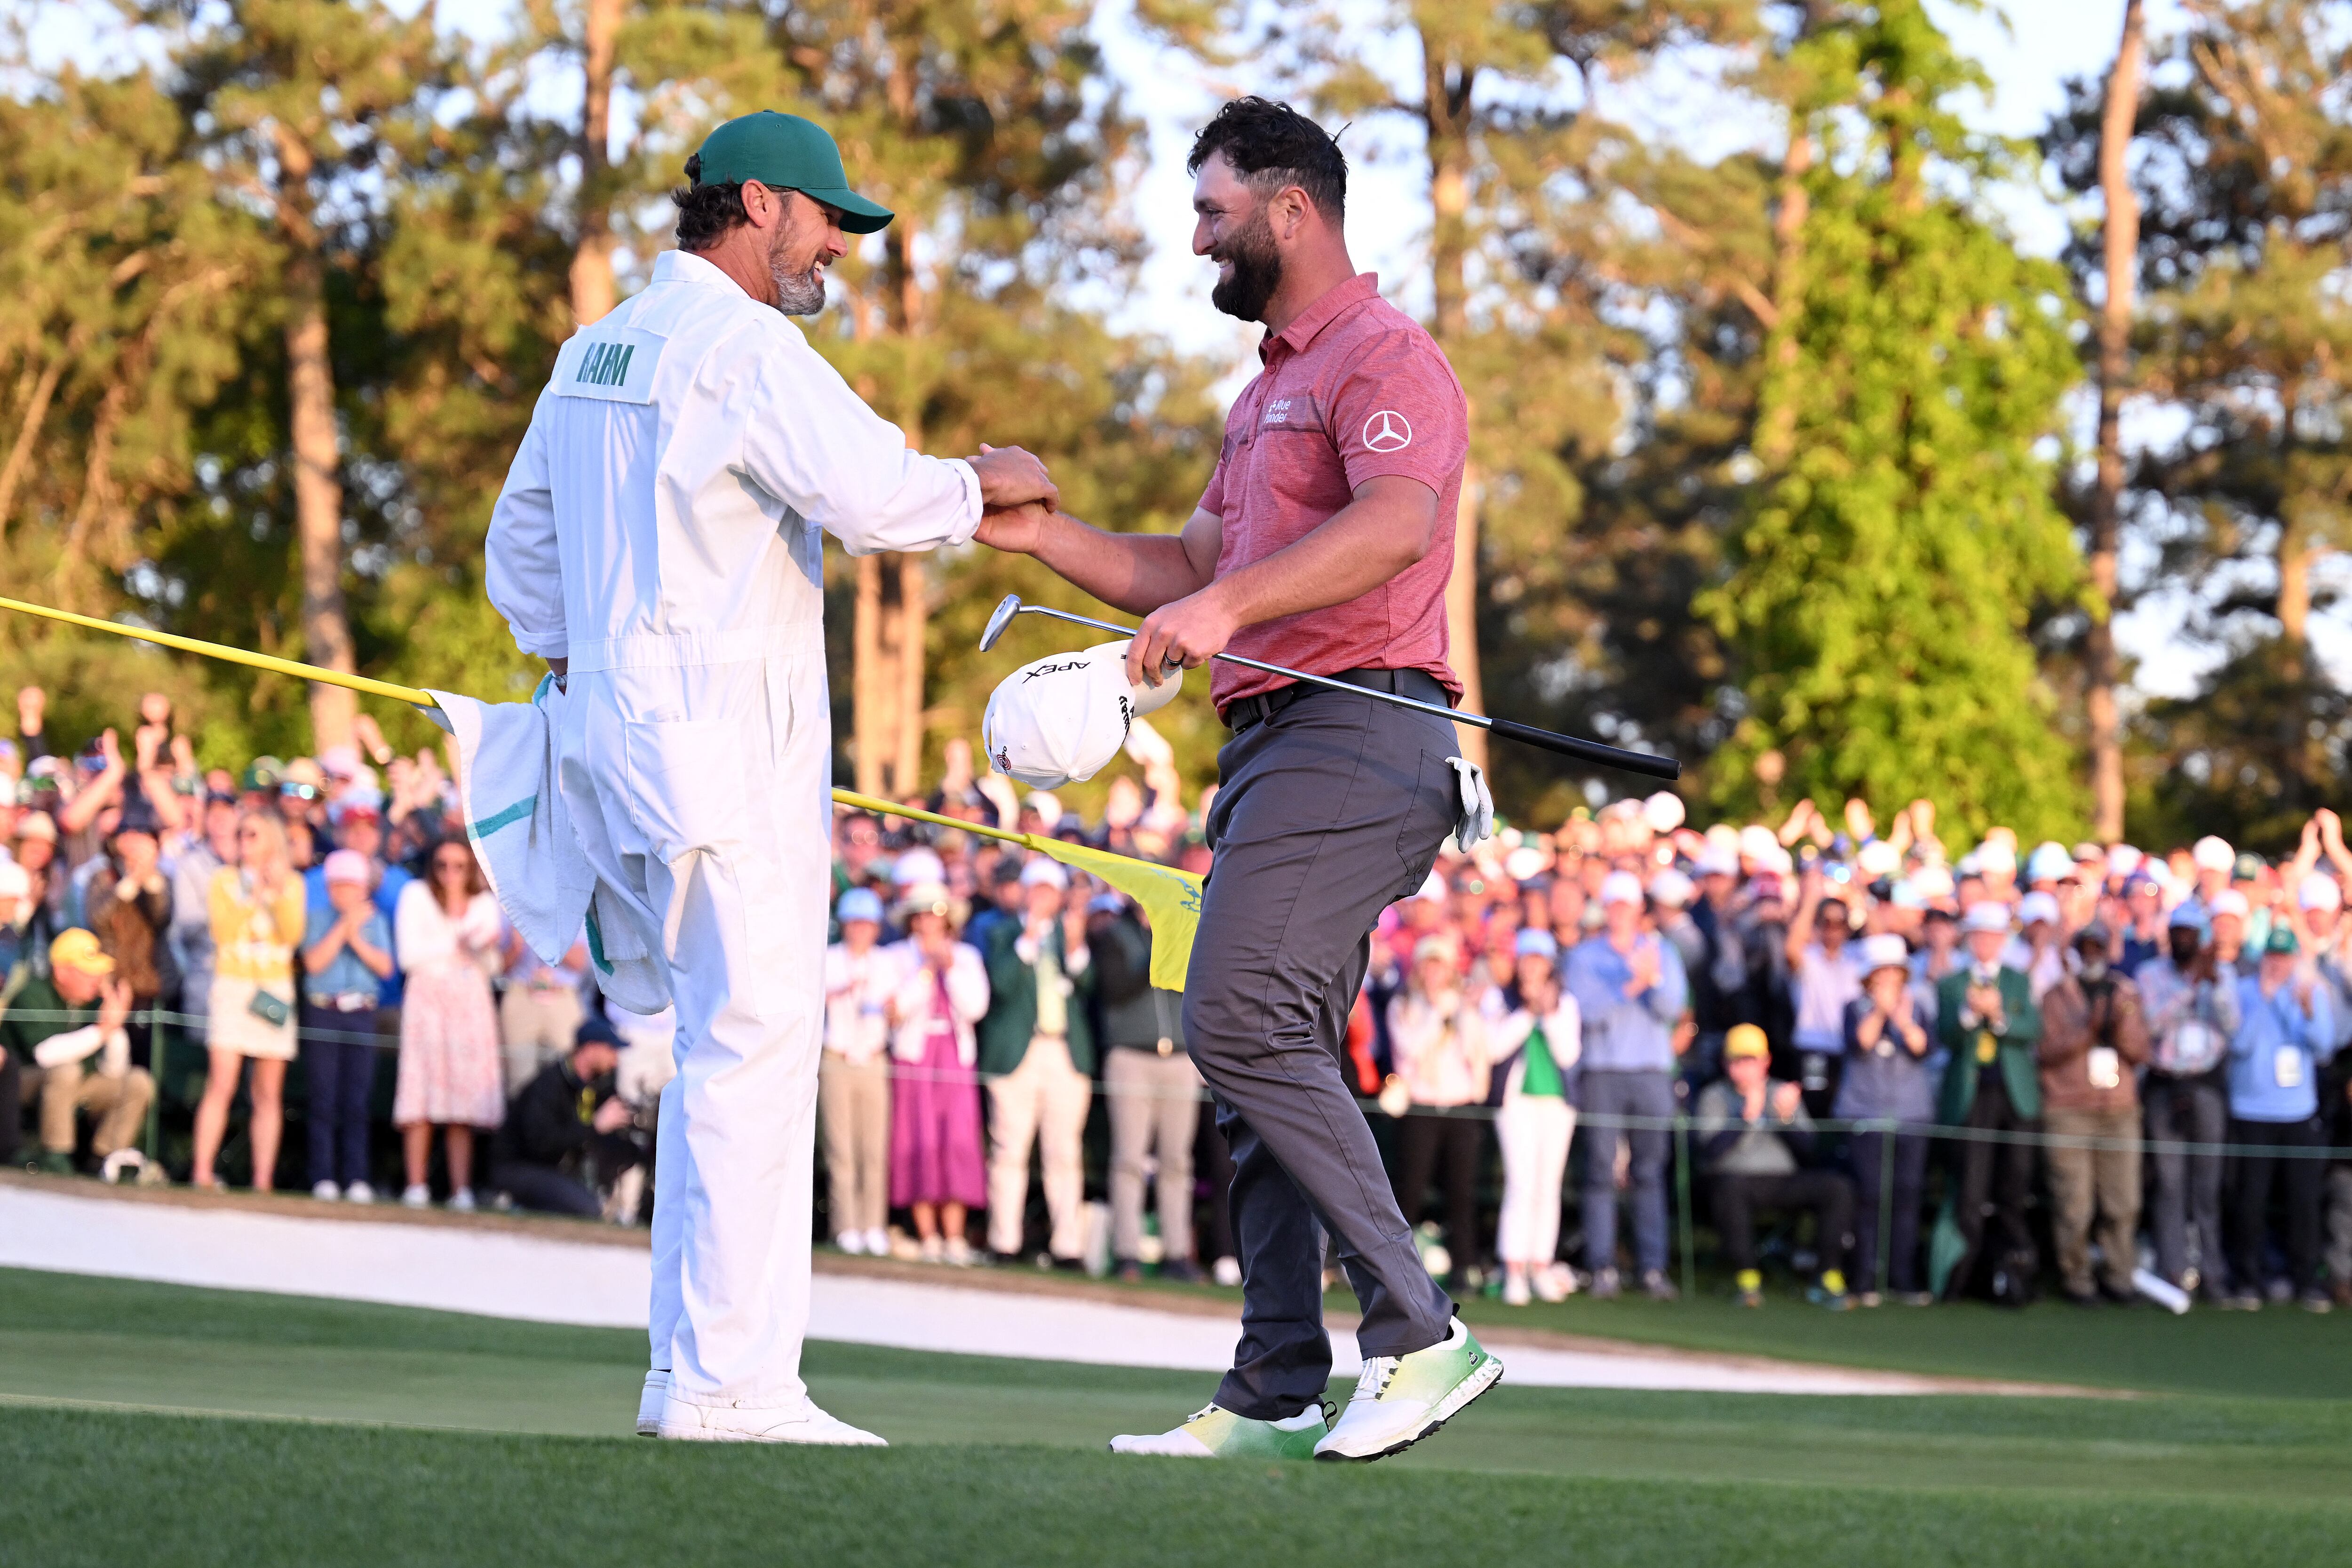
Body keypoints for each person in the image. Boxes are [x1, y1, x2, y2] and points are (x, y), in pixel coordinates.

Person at [484, 110, 1056, 1447]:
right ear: (756, 205)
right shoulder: (739, 345)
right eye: (826, 222)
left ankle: (688, 1372)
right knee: (753, 1045)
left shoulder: (595, 347)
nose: (840, 251)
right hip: (724, 744)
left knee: (708, 1053)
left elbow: (522, 548)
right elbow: (877, 495)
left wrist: (588, 659)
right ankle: (734, 1385)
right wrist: (992, 482)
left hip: (614, 733)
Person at [986, 96, 1499, 1462]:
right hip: (1277, 744)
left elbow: (1399, 525)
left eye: (1213, 210)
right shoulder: (1263, 387)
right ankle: (1277, 1385)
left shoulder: (1385, 355)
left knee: (1238, 1014)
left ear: (1290, 208)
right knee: (1260, 1050)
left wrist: (1228, 612)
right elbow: (1195, 570)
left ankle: (1420, 1333)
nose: (1196, 235)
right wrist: (1045, 538)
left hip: (1362, 729)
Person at [1567, 870, 1691, 1301]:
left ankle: (1652, 1267)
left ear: (1640, 909)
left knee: (1650, 1172)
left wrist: (1651, 978)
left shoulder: (1663, 953)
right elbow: (1588, 1012)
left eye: (1628, 905)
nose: (1621, 913)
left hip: (1652, 1071)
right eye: (1614, 905)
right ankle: (1602, 1266)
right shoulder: (1584, 956)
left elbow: (1670, 1008)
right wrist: (1635, 981)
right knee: (1601, 1170)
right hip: (1603, 1071)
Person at [976, 857, 1097, 1266]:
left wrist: (1078, 945)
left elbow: (1088, 987)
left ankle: (1068, 1246)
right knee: (1009, 1149)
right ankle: (1004, 1241)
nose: (1045, 898)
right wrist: (1028, 937)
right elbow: (1001, 985)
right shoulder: (1000, 931)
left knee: (1063, 1152)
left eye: (1051, 890)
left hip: (1064, 1051)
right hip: (1018, 1055)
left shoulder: (1070, 934)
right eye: (1038, 889)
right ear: (1026, 893)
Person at [2221, 926, 2336, 1310]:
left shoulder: (2307, 991)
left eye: (2285, 957)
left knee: (2304, 1199)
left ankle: (2306, 1281)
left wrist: (2300, 1008)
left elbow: (2323, 1045)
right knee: (2251, 1199)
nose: (2278, 964)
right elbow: (2238, 1044)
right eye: (2272, 956)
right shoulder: (2242, 991)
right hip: (2252, 1110)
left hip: (2297, 1111)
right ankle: (2248, 1280)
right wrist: (2265, 1000)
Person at [2035, 922, 2150, 1306]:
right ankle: (2077, 1277)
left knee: (2123, 1198)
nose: (2092, 953)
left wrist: (2119, 1024)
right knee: (2074, 1200)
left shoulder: (2125, 992)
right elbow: (2046, 1051)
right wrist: (2086, 1031)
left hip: (2118, 1107)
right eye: (2086, 947)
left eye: (2098, 946)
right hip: (2069, 1108)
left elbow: (2140, 1050)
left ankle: (2120, 1275)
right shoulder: (2056, 996)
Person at [1696, 1024, 1851, 1308]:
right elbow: (1709, 1153)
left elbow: (1810, 1153)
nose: (1744, 1068)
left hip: (1783, 1182)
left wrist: (1787, 1120)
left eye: (1751, 1060)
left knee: (1836, 1187)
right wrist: (1746, 1119)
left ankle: (1827, 1274)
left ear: (1766, 1062)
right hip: (1735, 1181)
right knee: (1730, 1189)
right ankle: (1747, 1279)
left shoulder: (1782, 1093)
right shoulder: (1715, 1096)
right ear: (1725, 1063)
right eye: (1737, 1061)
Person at [1092, 891, 1205, 1283]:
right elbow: (1116, 989)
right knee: (1129, 1159)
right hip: (1131, 1057)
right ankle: (1127, 1252)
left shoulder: (1185, 931)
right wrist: (1159, 951)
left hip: (1178, 1058)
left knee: (1177, 1161)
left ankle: (1177, 1252)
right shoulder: (1115, 936)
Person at [193, 812, 307, 1190]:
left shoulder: (292, 884)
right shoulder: (224, 880)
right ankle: (202, 1172)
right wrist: (251, 894)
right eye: (241, 834)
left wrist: (273, 894)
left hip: (274, 989)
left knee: (268, 1092)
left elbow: (292, 935)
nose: (245, 840)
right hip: (233, 987)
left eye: (253, 834)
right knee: (221, 1083)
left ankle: (263, 1180)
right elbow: (222, 931)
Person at [1935, 902, 2042, 1301]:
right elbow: (1945, 1035)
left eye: (1992, 935)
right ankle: (1963, 1277)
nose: (1985, 942)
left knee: (2015, 1185)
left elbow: (2034, 1028)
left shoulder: (2017, 981)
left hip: (2013, 1097)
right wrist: (1969, 1013)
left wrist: (1998, 1016)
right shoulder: (1952, 983)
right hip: (1972, 1093)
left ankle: (2013, 1274)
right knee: (1971, 1189)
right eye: (1979, 935)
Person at [392, 836, 504, 1211]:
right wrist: (457, 943)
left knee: (463, 1100)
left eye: (459, 866)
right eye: (443, 865)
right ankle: (416, 1185)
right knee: (421, 1094)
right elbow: (409, 955)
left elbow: (492, 966)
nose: (451, 874)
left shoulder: (486, 904)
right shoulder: (415, 896)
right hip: (427, 1001)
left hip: (470, 1002)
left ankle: (461, 1190)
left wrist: (478, 949)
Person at [2136, 902, 2238, 1299]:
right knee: (2169, 1182)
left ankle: (2212, 1271)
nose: (2183, 940)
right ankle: (2173, 1269)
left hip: (2206, 1084)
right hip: (2165, 1084)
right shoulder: (2151, 974)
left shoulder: (2222, 974)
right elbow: (2151, 1024)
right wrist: (2189, 986)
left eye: (2190, 934)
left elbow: (2232, 1026)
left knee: (2208, 1185)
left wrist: (2211, 984)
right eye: (2177, 932)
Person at [884, 881, 989, 1262]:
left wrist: (950, 968)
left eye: (937, 914)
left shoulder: (967, 957)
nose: (931, 921)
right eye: (924, 914)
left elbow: (975, 1007)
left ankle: (955, 1236)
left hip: (955, 1058)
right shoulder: (898, 957)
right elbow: (896, 1009)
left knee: (957, 1141)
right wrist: (928, 971)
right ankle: (927, 1235)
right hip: (916, 1058)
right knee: (918, 1138)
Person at [1384, 934, 1491, 1295]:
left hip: (1459, 1107)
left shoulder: (1463, 1008)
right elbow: (1410, 1050)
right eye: (1428, 963)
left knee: (1461, 1191)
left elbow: (1478, 1054)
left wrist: (1458, 1013)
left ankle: (1464, 1266)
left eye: (1440, 964)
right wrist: (1437, 1013)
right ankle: (1396, 1267)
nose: (1433, 971)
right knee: (1410, 1189)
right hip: (1421, 1107)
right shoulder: (1404, 1006)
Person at [1837, 931, 1936, 1304]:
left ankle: (1902, 1276)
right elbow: (1860, 1044)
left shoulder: (1918, 1007)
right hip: (1866, 1114)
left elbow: (1922, 1047)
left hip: (1912, 1115)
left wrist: (1902, 1016)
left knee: (1907, 1195)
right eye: (1881, 975)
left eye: (1895, 975)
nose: (1889, 982)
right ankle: (1864, 1277)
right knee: (1870, 1195)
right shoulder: (1854, 1008)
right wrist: (1880, 1011)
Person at [3, 930, 150, 1176]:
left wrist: (114, 1026)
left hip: (74, 1083)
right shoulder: (33, 994)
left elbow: (115, 1071)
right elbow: (45, 1055)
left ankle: (104, 1159)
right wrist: (103, 1030)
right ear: (61, 971)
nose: (98, 979)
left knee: (138, 1082)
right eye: (88, 971)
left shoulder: (91, 1002)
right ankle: (56, 1156)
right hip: (21, 1083)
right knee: (65, 1072)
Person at [1487, 928, 1580, 1306]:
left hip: (1556, 1103)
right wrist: (1528, 1012)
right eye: (1528, 959)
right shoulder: (1501, 998)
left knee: (1548, 1185)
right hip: (1516, 1103)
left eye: (1540, 960)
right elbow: (1494, 1048)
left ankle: (1540, 1266)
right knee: (1521, 1183)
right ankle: (1513, 1269)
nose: (1534, 967)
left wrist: (1549, 1012)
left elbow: (1568, 1055)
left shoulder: (1566, 1003)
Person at [300, 849, 394, 1202]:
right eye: (338, 886)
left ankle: (356, 1176)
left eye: (352, 886)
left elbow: (385, 968)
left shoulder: (376, 921)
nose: (345, 893)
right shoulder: (317, 918)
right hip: (324, 1010)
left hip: (361, 1012)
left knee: (357, 1099)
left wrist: (356, 935)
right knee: (323, 1098)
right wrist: (344, 927)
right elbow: (314, 963)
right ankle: (322, 1175)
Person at [487, 1017, 641, 1216]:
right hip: (519, 1168)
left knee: (590, 1203)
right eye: (611, 1050)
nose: (616, 1059)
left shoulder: (597, 1087)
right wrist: (594, 1126)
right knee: (586, 1209)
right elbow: (542, 1145)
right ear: (591, 1049)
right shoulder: (549, 1084)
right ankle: (513, 1202)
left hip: (552, 1171)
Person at [819, 885, 896, 1256]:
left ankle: (874, 1225)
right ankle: (846, 1224)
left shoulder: (887, 963)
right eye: (854, 924)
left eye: (866, 924)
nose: (859, 931)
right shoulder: (830, 959)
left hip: (873, 1059)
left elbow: (897, 1009)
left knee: (873, 1148)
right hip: (836, 1057)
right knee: (841, 1148)